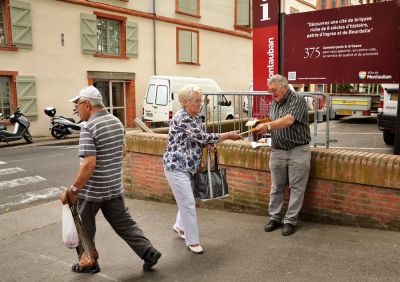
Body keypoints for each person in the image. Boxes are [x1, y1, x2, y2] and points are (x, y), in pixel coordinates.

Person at [61, 85, 161, 274]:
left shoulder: (89, 127)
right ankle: (148, 252)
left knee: (84, 228)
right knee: (124, 223)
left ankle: (88, 262)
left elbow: (89, 164)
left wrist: (73, 190)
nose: (77, 110)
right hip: (114, 187)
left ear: (87, 105)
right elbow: (122, 152)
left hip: (92, 191)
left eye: (77, 106)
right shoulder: (116, 121)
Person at [163, 84, 242, 254]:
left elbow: (199, 140)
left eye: (201, 101)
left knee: (187, 198)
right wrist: (227, 136)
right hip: (176, 166)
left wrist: (210, 144)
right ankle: (192, 241)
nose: (200, 104)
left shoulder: (196, 117)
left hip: (189, 166)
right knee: (188, 202)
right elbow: (201, 136)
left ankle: (179, 226)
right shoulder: (182, 117)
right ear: (185, 102)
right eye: (196, 101)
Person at [254, 74, 311, 236]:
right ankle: (274, 218)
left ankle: (290, 221)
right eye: (270, 90)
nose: (272, 93)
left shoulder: (297, 100)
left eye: (274, 90)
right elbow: (273, 121)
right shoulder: (274, 102)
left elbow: (288, 120)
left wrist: (269, 126)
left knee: (296, 188)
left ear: (285, 87)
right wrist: (260, 125)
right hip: (278, 150)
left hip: (298, 150)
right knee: (276, 187)